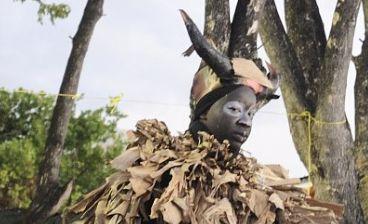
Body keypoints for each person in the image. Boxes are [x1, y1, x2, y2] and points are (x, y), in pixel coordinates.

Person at [64, 10, 341, 224]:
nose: (245, 120)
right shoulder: (158, 174)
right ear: (205, 111)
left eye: (250, 114)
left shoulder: (255, 185)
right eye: (234, 109)